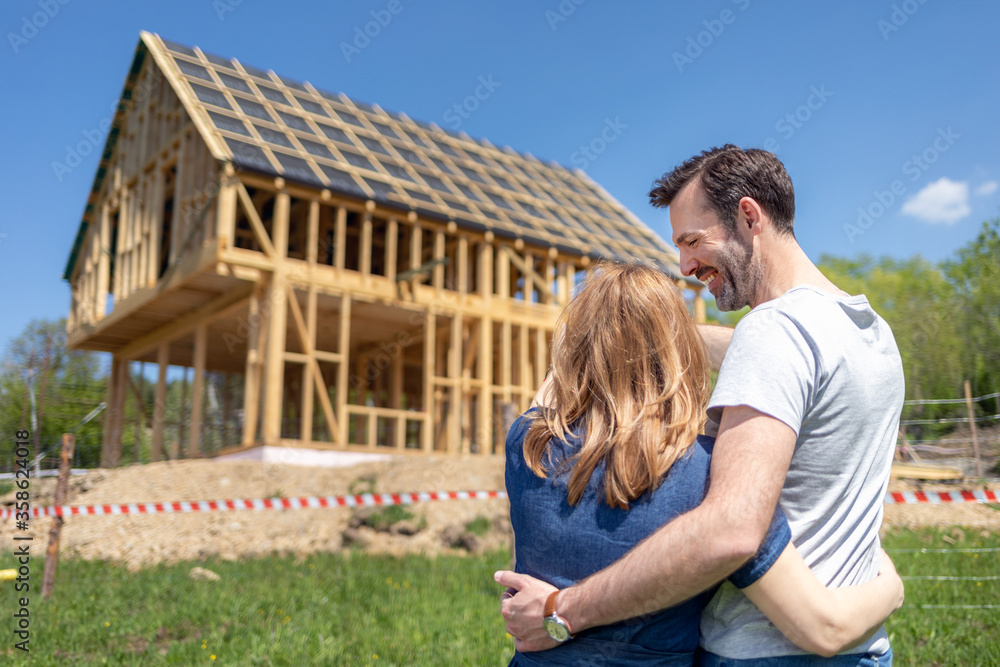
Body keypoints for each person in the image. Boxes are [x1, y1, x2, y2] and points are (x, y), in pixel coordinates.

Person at [497, 145, 906, 664]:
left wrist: (563, 609)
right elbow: (782, 355)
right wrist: (640, 334)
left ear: (749, 216)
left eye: (692, 241)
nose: (687, 266)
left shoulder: (771, 335)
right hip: (863, 641)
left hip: (764, 649)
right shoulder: (867, 334)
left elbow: (731, 530)